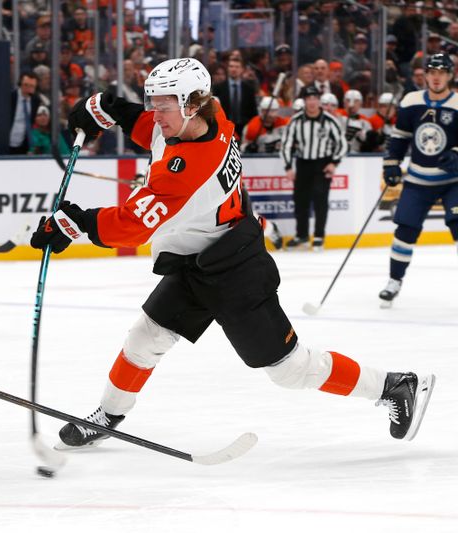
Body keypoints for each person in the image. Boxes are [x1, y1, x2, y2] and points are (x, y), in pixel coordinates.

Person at [28, 58, 435, 452]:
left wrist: (72, 223)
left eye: (163, 105)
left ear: (190, 103)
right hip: (196, 259)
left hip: (234, 268)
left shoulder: (188, 167)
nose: (155, 114)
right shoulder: (210, 116)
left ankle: (393, 385)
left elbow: (132, 224)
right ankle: (108, 417)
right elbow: (146, 126)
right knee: (144, 338)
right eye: (153, 102)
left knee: (289, 369)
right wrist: (106, 109)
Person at [380, 53, 458, 307]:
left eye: (442, 73)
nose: (437, 77)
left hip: (452, 182)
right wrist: (391, 164)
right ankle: (394, 281)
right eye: (432, 72)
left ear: (450, 75)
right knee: (405, 230)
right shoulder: (411, 100)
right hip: (418, 179)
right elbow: (400, 137)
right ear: (425, 75)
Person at [280, 84, 347, 251]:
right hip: (303, 163)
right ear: (304, 101)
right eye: (308, 98)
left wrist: (334, 162)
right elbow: (286, 144)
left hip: (322, 164)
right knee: (300, 201)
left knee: (320, 200)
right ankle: (302, 235)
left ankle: (318, 236)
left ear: (319, 100)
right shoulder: (296, 121)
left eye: (315, 98)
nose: (312, 102)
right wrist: (288, 166)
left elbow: (342, 144)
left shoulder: (330, 121)